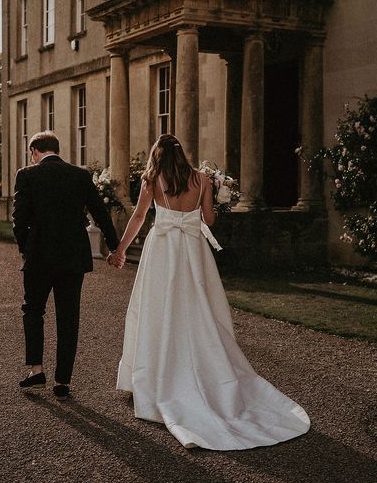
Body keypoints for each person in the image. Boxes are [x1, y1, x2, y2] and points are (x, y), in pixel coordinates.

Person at [113, 134, 310, 450]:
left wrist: (121, 250)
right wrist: (216, 197)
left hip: (163, 251)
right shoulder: (201, 179)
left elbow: (138, 216)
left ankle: (154, 377)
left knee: (158, 310)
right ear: (182, 155)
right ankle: (205, 373)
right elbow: (208, 219)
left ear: (157, 156)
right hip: (193, 251)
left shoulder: (151, 179)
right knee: (197, 310)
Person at [13, 131, 121, 400]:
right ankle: (62, 381)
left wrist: (25, 247)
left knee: (33, 310)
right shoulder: (80, 175)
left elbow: (19, 219)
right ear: (57, 150)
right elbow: (100, 213)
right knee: (68, 317)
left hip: (38, 256)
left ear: (35, 150)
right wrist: (115, 246)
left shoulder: (27, 175)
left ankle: (36, 370)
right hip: (73, 257)